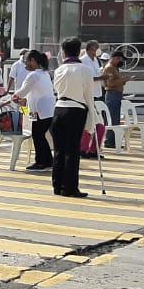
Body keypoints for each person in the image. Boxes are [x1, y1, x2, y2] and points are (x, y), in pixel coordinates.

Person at [50, 38, 98, 197]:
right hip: (76, 110)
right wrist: (93, 119)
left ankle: (57, 186)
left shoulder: (59, 70)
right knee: (72, 151)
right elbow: (89, 97)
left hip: (58, 110)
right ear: (79, 51)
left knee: (59, 150)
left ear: (63, 52)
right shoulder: (84, 70)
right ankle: (69, 188)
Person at [11, 50, 55, 171]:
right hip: (45, 110)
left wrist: (14, 96)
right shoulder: (44, 74)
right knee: (39, 135)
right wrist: (21, 100)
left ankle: (41, 162)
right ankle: (47, 161)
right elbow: (31, 92)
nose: (26, 64)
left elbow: (23, 90)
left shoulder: (34, 75)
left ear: (34, 61)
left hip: (40, 111)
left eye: (27, 61)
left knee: (38, 136)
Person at [98, 51, 130, 148]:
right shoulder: (109, 68)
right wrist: (124, 80)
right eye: (120, 59)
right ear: (115, 58)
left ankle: (114, 141)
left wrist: (123, 81)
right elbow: (110, 83)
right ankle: (109, 141)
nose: (121, 62)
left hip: (116, 94)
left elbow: (115, 82)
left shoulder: (115, 68)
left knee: (115, 119)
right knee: (111, 119)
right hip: (112, 95)